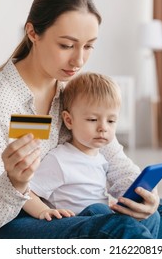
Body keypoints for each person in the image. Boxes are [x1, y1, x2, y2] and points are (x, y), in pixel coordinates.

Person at [0, 0, 162, 239]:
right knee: (122, 228)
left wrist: (142, 195)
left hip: (56, 211)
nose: (79, 60)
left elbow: (115, 158)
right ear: (32, 33)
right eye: (66, 45)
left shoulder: (71, 92)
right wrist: (15, 183)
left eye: (88, 46)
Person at [25, 72, 121, 220]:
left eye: (111, 121)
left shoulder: (101, 158)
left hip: (100, 217)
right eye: (92, 119)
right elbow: (26, 191)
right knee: (99, 209)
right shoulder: (59, 159)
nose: (103, 128)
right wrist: (43, 211)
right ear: (69, 120)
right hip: (79, 222)